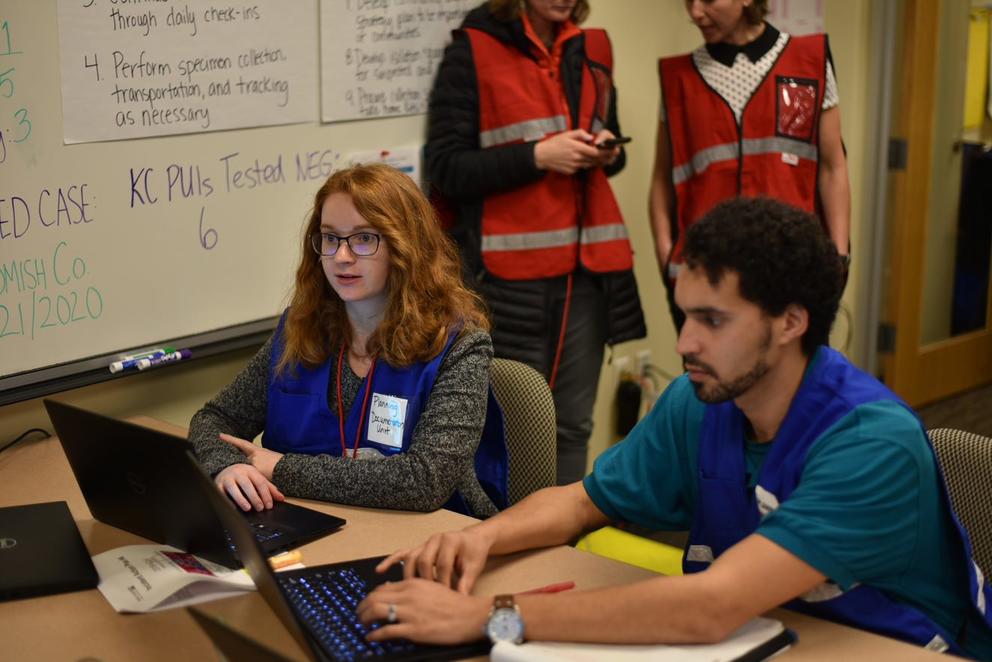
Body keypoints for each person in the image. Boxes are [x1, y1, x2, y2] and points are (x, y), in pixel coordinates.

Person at [355, 198, 992, 659]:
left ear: (791, 322)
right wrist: (483, 540)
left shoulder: (869, 442)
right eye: (684, 315)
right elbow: (583, 502)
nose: (684, 342)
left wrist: (488, 619)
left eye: (712, 321)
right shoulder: (702, 399)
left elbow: (709, 608)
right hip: (758, 637)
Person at [189, 163, 508, 519]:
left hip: (431, 537)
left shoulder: (460, 345)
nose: (341, 257)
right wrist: (228, 467)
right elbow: (214, 419)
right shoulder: (301, 328)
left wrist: (279, 469)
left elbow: (424, 481)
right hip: (313, 524)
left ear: (406, 246)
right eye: (330, 238)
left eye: (364, 238)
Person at [426, 0, 646, 485]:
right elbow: (445, 168)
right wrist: (539, 156)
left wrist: (605, 148)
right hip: (506, 279)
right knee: (504, 431)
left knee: (572, 426)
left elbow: (613, 154)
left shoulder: (591, 48)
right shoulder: (473, 51)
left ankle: (559, 550)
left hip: (588, 277)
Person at [649, 0, 851, 329]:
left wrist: (839, 257)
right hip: (706, 277)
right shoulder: (678, 79)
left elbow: (833, 167)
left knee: (795, 380)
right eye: (688, 1)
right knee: (711, 381)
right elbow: (662, 180)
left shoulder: (808, 61)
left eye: (708, 0)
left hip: (791, 274)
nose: (695, 13)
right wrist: (667, 258)